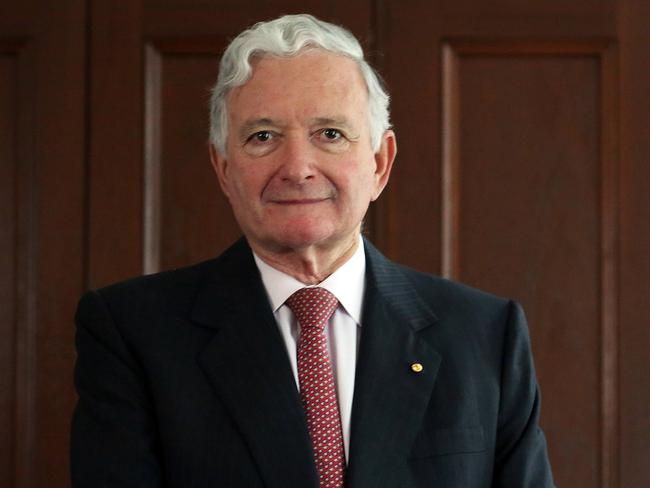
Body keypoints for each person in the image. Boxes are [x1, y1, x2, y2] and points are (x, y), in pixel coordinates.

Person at [71, 14, 555, 488]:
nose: (298, 168)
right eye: (263, 137)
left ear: (380, 163)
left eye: (330, 134)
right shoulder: (133, 334)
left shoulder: (484, 335)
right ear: (223, 169)